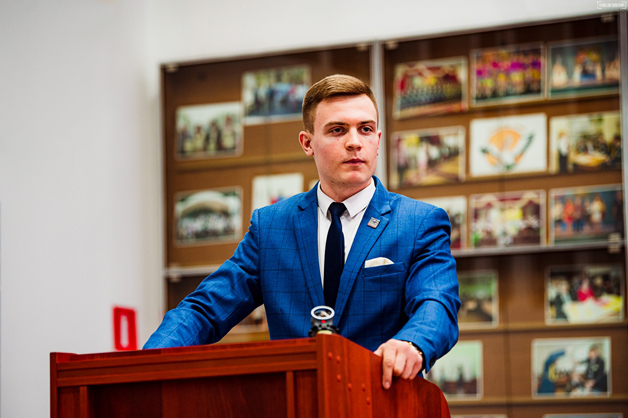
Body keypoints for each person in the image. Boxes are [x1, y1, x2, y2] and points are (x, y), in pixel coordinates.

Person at [144, 74, 460, 390]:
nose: (354, 141)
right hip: (295, 402)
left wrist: (412, 343)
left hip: (382, 399)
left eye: (365, 129)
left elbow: (437, 303)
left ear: (377, 140)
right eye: (337, 130)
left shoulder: (419, 222)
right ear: (307, 143)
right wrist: (146, 363)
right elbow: (206, 308)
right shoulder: (270, 226)